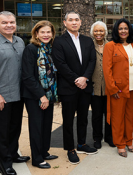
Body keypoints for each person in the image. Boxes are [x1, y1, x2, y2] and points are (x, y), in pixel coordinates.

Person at [0, 11, 30, 175]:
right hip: (0, 97)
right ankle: (3, 164)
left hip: (18, 94)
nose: (9, 25)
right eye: (4, 23)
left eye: (12, 22)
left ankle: (13, 154)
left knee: (15, 129)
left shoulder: (19, 41)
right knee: (1, 132)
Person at [52, 11, 97, 165]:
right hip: (68, 87)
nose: (74, 22)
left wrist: (85, 78)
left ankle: (82, 144)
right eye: (70, 20)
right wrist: (76, 80)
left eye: (77, 19)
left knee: (83, 118)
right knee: (69, 120)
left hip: (85, 87)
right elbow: (60, 64)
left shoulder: (87, 40)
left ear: (80, 21)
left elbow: (92, 61)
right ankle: (70, 149)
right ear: (65, 23)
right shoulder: (58, 41)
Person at [21, 20, 59, 169]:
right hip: (34, 96)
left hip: (49, 94)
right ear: (36, 34)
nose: (45, 35)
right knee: (36, 127)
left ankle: (44, 151)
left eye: (48, 32)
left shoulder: (49, 49)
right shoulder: (31, 49)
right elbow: (27, 76)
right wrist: (41, 96)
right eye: (42, 32)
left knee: (46, 124)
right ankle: (37, 158)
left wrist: (49, 95)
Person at [103, 18, 133, 158]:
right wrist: (112, 89)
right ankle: (120, 144)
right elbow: (106, 70)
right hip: (118, 89)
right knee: (117, 118)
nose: (123, 31)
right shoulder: (110, 46)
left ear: (130, 30)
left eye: (126, 28)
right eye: (120, 29)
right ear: (116, 31)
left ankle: (129, 141)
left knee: (129, 117)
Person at [90, 21, 115, 149]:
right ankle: (97, 138)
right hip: (94, 86)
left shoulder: (111, 45)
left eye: (101, 30)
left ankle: (109, 137)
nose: (98, 33)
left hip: (109, 86)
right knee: (96, 114)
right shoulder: (88, 45)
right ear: (92, 32)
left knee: (109, 113)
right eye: (96, 31)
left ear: (105, 32)